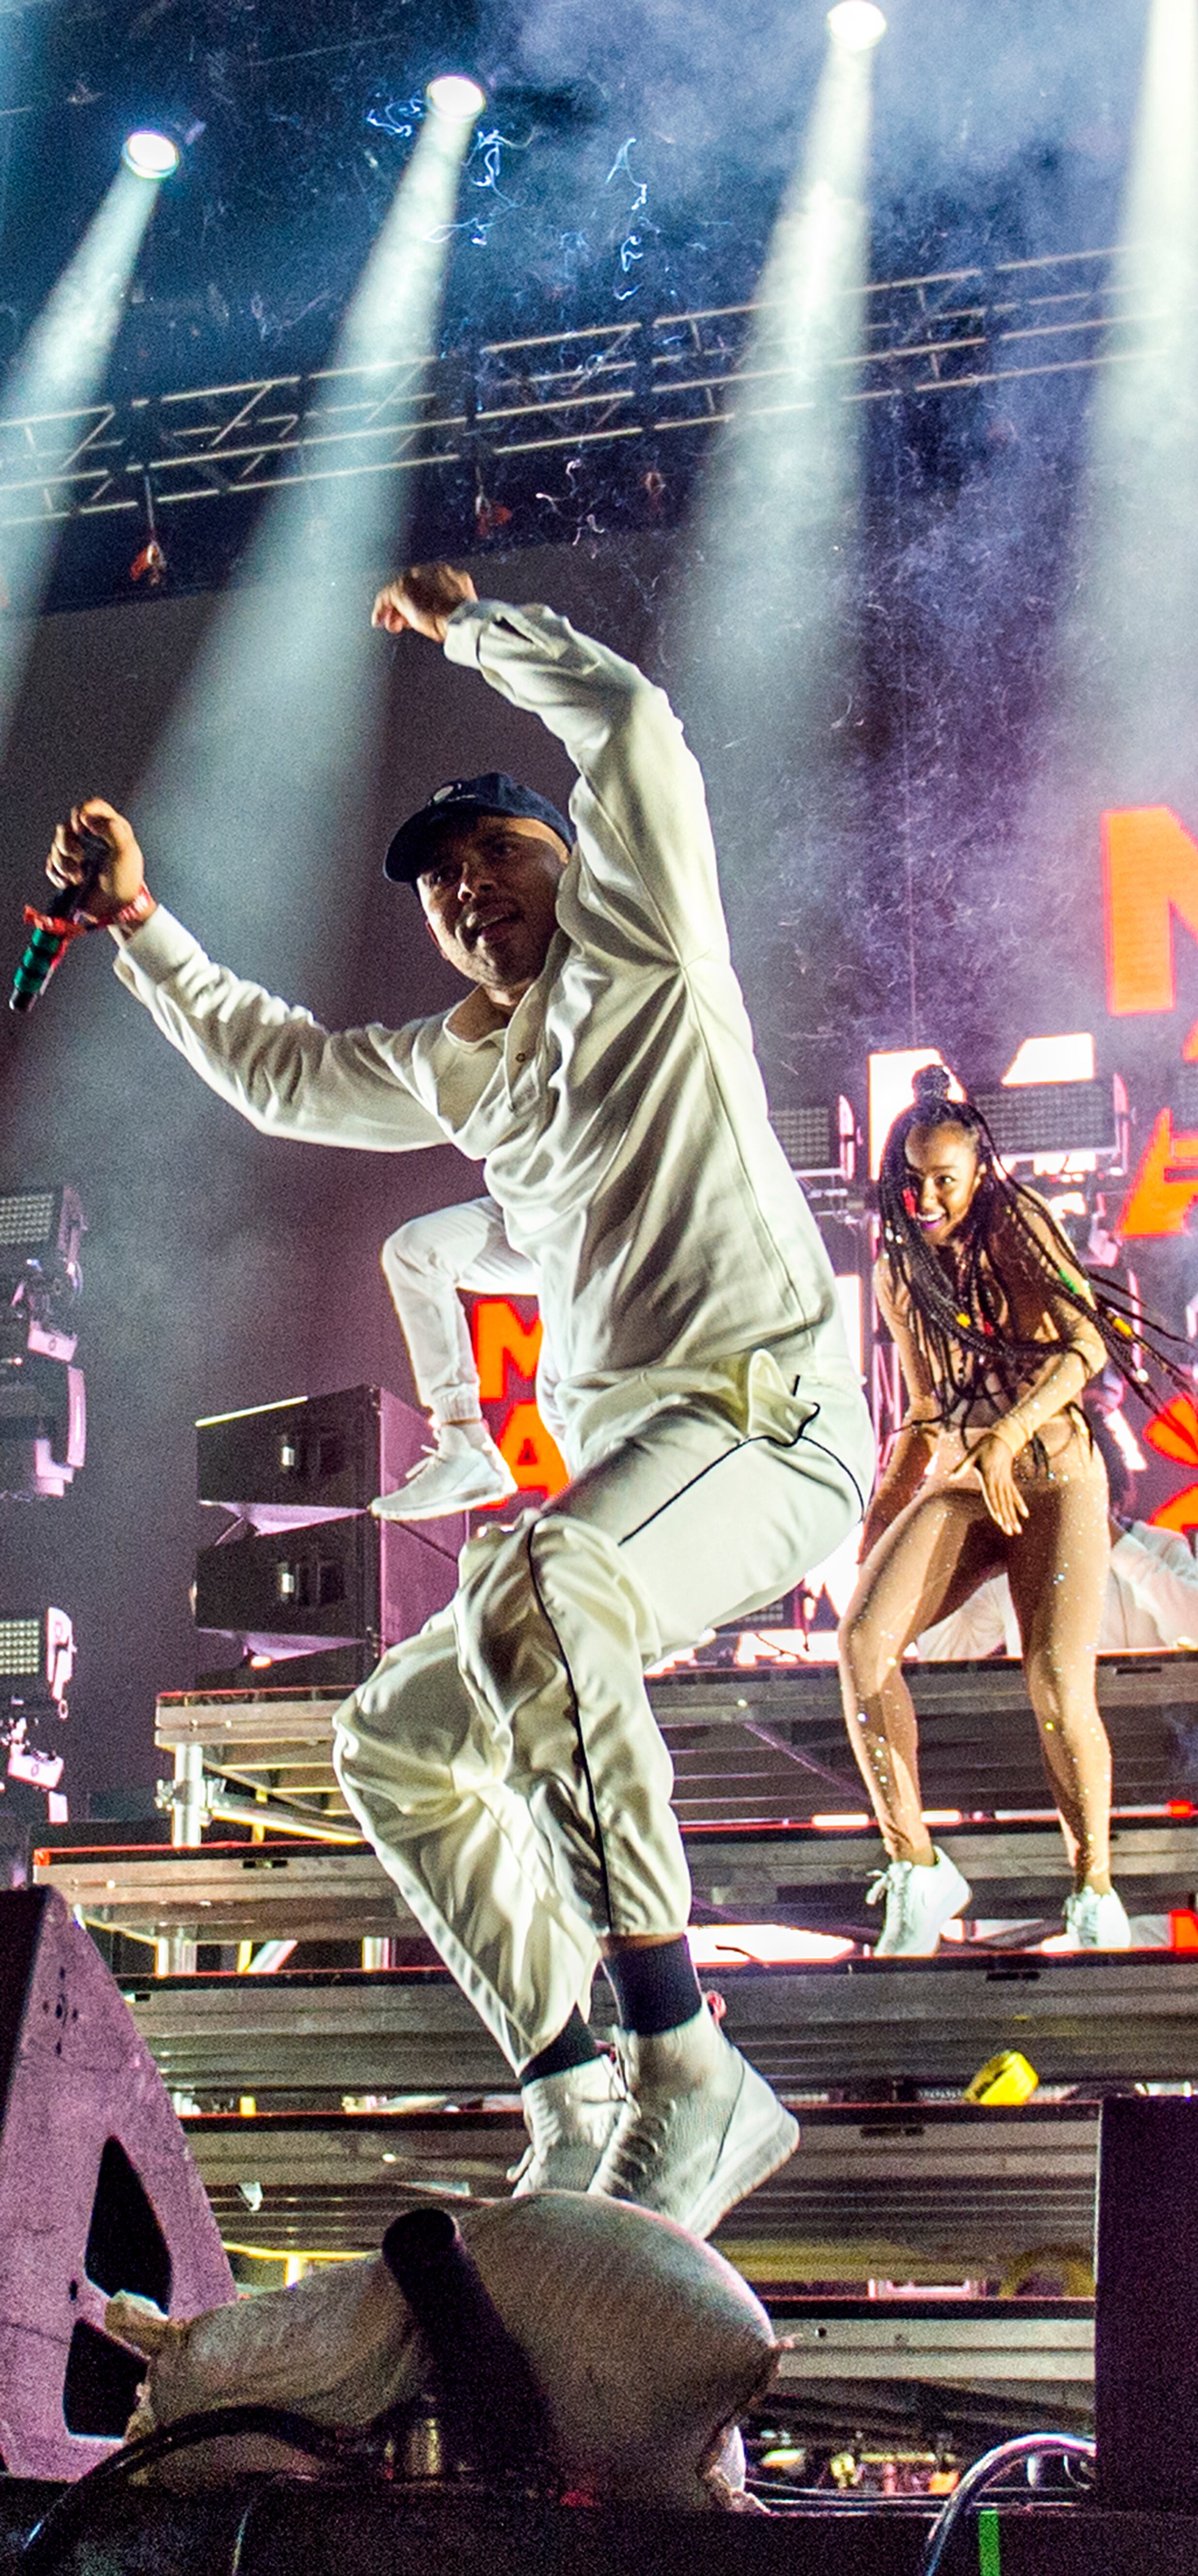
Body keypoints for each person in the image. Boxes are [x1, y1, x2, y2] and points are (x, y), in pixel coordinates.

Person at [47, 563, 874, 2235]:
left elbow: (632, 722)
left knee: (551, 1579)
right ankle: (573, 2086)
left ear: (567, 858)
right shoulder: (454, 1062)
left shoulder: (645, 940)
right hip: (647, 1448)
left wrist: (470, 628)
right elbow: (278, 1068)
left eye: (499, 853)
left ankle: (691, 2068)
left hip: (767, 1418)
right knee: (398, 1739)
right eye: (443, 887)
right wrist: (142, 927)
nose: (473, 893)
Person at [837, 1067, 1130, 1954]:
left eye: (945, 1181)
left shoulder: (1020, 1223)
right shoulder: (898, 1271)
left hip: (1056, 1476)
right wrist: (881, 1512)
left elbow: (1089, 1345)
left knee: (1053, 1682)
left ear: (976, 1176)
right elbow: (925, 1412)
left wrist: (1009, 1434)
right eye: (913, 1179)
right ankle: (919, 1868)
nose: (926, 1197)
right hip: (966, 1480)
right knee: (860, 1643)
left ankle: (1094, 1890)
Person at [914, 1410, 1198, 1658]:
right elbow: (943, 1652)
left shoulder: (1159, 1546)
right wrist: (958, 1554)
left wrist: (1114, 1543)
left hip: (1153, 1723)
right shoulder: (1015, 1564)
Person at [372, 1194, 562, 1522]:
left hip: (605, 1209)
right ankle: (465, 1442)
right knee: (416, 1252)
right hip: (537, 1199)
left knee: (565, 1401)